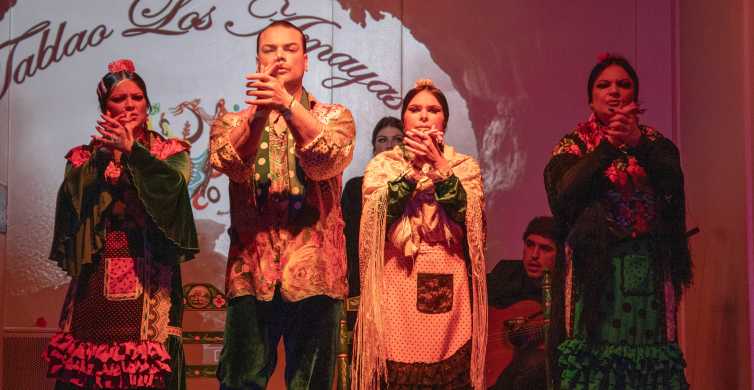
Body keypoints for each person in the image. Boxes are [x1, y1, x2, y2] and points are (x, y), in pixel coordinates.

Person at [209, 21, 355, 389]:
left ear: (305, 61)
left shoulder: (334, 117)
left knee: (310, 384)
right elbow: (228, 163)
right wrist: (260, 114)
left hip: (316, 276)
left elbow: (326, 161)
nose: (279, 57)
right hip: (250, 274)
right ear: (257, 60)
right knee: (240, 380)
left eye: (289, 49)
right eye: (270, 50)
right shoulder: (231, 121)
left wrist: (287, 105)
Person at [43, 59, 199, 390]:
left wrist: (134, 153)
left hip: (152, 278)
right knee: (87, 365)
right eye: (118, 98)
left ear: (147, 102)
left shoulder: (168, 151)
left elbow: (172, 189)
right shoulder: (84, 157)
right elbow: (72, 202)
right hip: (95, 278)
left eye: (136, 97)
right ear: (104, 107)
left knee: (148, 370)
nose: (129, 104)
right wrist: (105, 157)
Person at [544, 53, 692, 389]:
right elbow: (563, 195)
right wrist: (608, 147)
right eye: (604, 85)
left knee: (650, 360)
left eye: (623, 85)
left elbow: (673, 183)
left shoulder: (655, 144)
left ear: (635, 96)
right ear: (590, 97)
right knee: (594, 360)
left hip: (649, 271)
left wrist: (636, 143)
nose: (614, 91)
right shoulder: (574, 145)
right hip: (593, 275)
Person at [354, 79, 487, 389]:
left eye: (433, 109)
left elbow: (469, 219)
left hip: (448, 279)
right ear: (404, 119)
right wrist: (412, 172)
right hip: (397, 281)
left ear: (445, 120)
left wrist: (440, 167)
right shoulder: (383, 165)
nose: (424, 116)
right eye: (415, 109)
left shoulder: (464, 166)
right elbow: (377, 219)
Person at [341, 116, 403, 330]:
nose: (390, 146)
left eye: (397, 139)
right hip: (363, 283)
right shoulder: (355, 188)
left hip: (404, 281)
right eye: (382, 140)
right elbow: (346, 240)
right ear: (374, 148)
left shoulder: (419, 188)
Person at [486, 216, 557, 390]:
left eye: (545, 248)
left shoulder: (565, 290)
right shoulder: (506, 272)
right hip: (490, 363)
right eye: (530, 244)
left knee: (534, 362)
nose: (534, 255)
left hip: (527, 375)